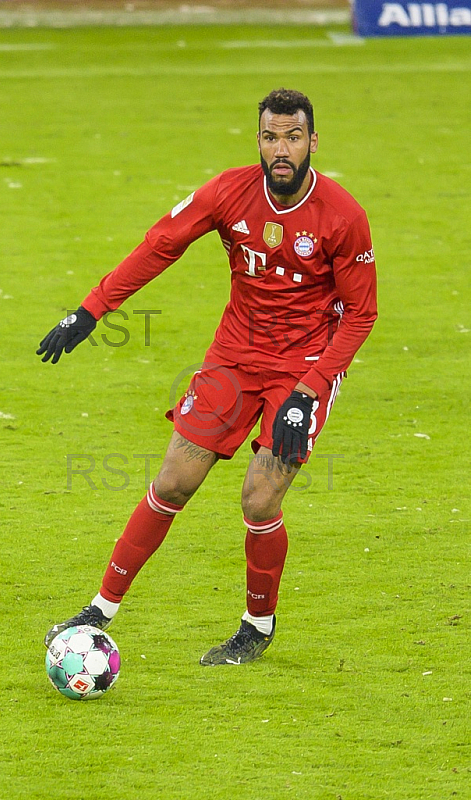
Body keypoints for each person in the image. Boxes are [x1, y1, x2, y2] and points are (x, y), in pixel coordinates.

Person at [38, 88, 377, 666]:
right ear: (259, 139)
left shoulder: (343, 217)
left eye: (293, 137)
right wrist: (91, 309)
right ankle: (101, 609)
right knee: (172, 481)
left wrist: (308, 393)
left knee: (260, 496)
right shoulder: (228, 191)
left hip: (303, 367)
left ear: (313, 142)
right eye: (271, 137)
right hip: (233, 358)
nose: (282, 150)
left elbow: (362, 315)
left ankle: (256, 626)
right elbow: (159, 245)